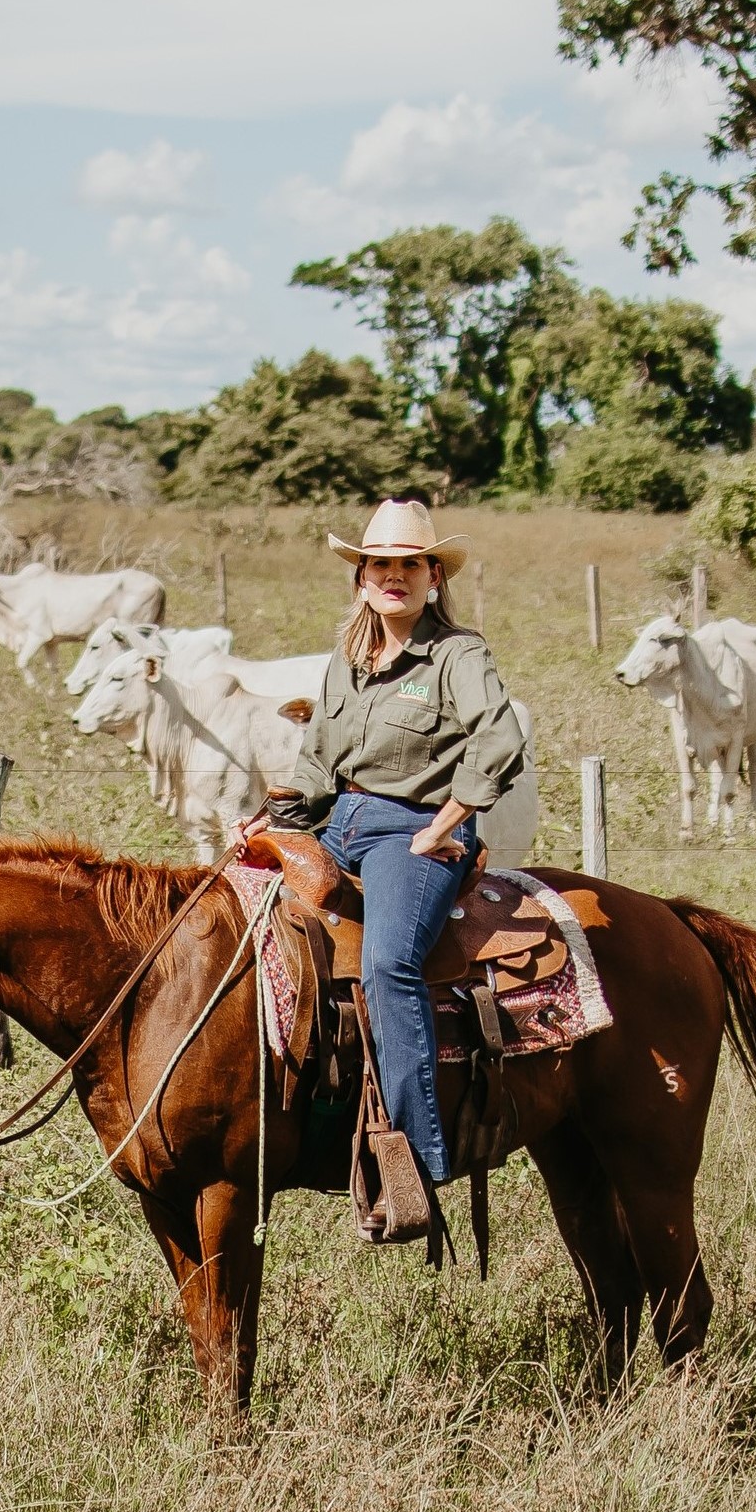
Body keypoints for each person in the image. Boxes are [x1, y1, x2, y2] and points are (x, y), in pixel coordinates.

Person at [274, 499, 528, 1192]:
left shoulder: (455, 653)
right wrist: (274, 817)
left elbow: (499, 742)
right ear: (359, 578)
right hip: (338, 822)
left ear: (432, 577)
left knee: (388, 966)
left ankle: (415, 1160)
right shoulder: (346, 660)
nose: (394, 576)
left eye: (409, 564)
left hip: (407, 831)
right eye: (379, 564)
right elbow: (317, 762)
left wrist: (444, 825)